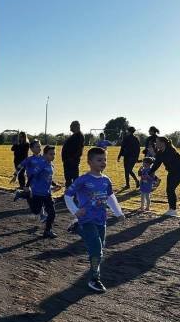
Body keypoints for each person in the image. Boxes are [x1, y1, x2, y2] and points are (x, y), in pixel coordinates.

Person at [64, 147, 125, 293]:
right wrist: (76, 211)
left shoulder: (106, 180)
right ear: (89, 162)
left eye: (104, 159)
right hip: (86, 219)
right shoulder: (83, 180)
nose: (103, 162)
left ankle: (77, 228)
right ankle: (94, 279)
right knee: (96, 248)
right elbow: (67, 195)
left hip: (101, 219)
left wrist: (118, 212)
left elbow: (110, 197)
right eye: (99, 160)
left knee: (100, 248)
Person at [28, 145, 62, 238]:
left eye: (54, 154)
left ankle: (47, 231)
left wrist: (55, 185)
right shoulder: (41, 164)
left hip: (47, 193)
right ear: (45, 154)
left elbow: (49, 178)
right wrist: (27, 187)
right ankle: (25, 195)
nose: (53, 156)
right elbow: (32, 175)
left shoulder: (51, 165)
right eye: (51, 154)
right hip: (37, 193)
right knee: (35, 211)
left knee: (52, 213)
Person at [149, 136, 180, 217]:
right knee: (169, 190)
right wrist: (150, 172)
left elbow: (175, 161)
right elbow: (156, 164)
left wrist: (155, 153)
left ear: (162, 143)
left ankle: (173, 210)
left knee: (170, 189)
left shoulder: (171, 151)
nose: (155, 143)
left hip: (179, 172)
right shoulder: (160, 152)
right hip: (171, 172)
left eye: (157, 142)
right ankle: (172, 209)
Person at [61, 120, 84, 187]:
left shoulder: (79, 136)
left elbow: (79, 150)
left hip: (72, 161)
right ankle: (69, 193)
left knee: (73, 178)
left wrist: (71, 159)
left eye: (71, 126)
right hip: (68, 161)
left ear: (76, 126)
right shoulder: (75, 135)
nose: (70, 127)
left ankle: (72, 194)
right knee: (68, 178)